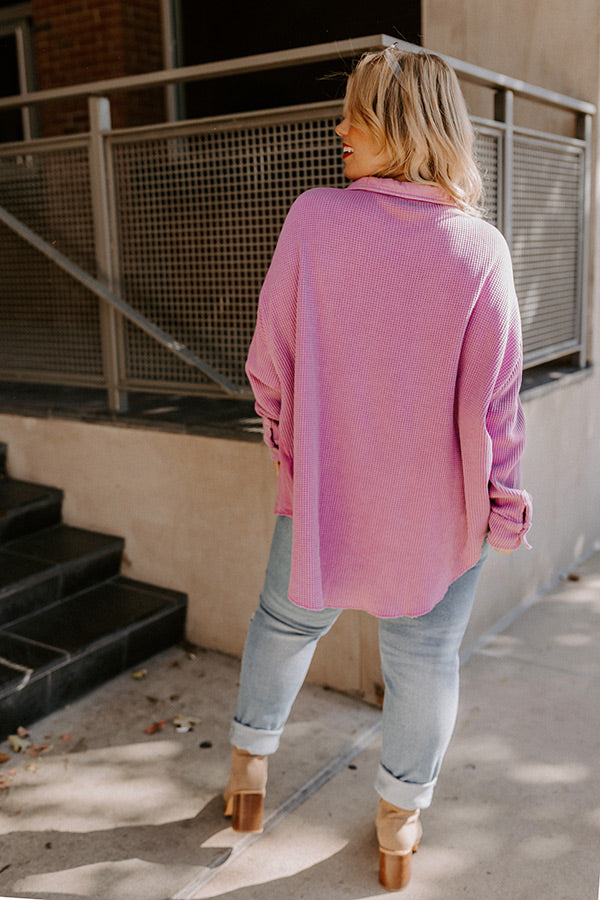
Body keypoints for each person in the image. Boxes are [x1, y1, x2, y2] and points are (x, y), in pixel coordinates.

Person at [223, 44, 532, 891]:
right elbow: (499, 407)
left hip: (325, 495)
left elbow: (269, 363)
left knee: (284, 624)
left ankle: (248, 770)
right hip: (441, 514)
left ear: (400, 125)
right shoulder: (481, 250)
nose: (339, 128)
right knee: (425, 660)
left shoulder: (314, 218)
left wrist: (291, 451)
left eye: (354, 113)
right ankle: (400, 820)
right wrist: (505, 505)